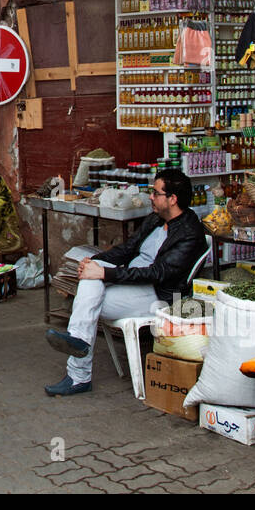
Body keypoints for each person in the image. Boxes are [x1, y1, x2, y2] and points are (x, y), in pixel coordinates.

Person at [43, 168, 206, 397]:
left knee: (90, 294)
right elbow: (127, 250)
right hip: (131, 280)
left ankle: (78, 373)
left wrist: (106, 274)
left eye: (156, 193)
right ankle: (78, 345)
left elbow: (158, 273)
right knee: (91, 276)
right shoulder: (156, 220)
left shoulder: (190, 233)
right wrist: (95, 261)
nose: (151, 197)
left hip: (156, 294)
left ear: (172, 199)